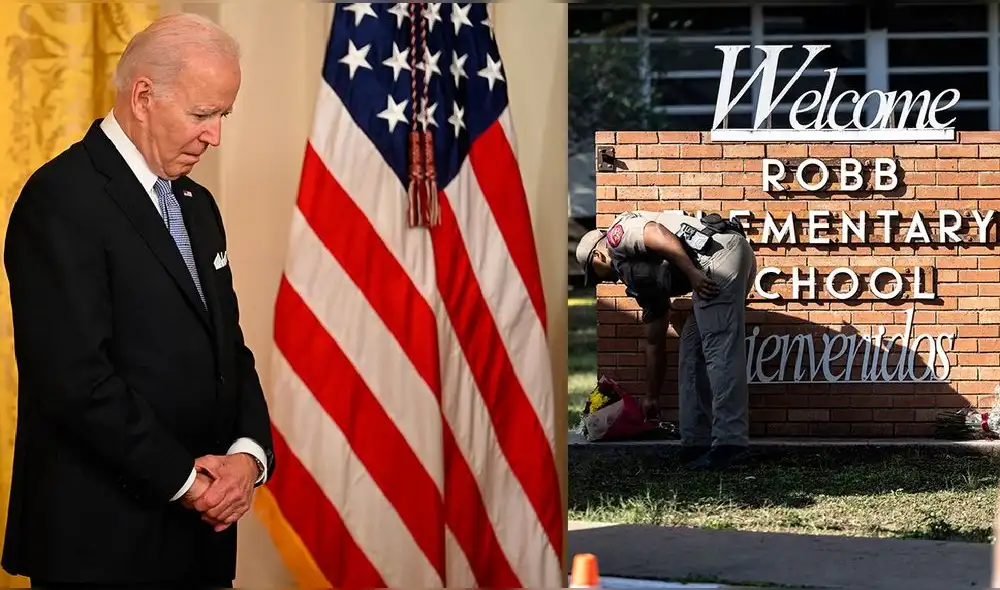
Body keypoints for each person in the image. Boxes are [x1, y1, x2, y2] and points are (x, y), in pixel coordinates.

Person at [2, 13, 274, 587]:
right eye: (202, 115)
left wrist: (247, 458)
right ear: (144, 96)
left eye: (223, 115)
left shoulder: (197, 204)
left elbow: (229, 349)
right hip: (101, 545)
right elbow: (76, 382)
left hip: (198, 542)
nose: (215, 136)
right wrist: (192, 484)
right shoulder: (61, 198)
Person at [576, 210, 756, 470]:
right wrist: (651, 397)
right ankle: (696, 442)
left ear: (598, 255)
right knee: (692, 350)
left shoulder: (618, 236)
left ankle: (731, 446)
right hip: (712, 265)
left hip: (716, 258)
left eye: (595, 274)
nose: (603, 281)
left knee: (720, 351)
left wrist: (692, 274)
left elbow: (656, 233)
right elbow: (654, 342)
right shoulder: (638, 278)